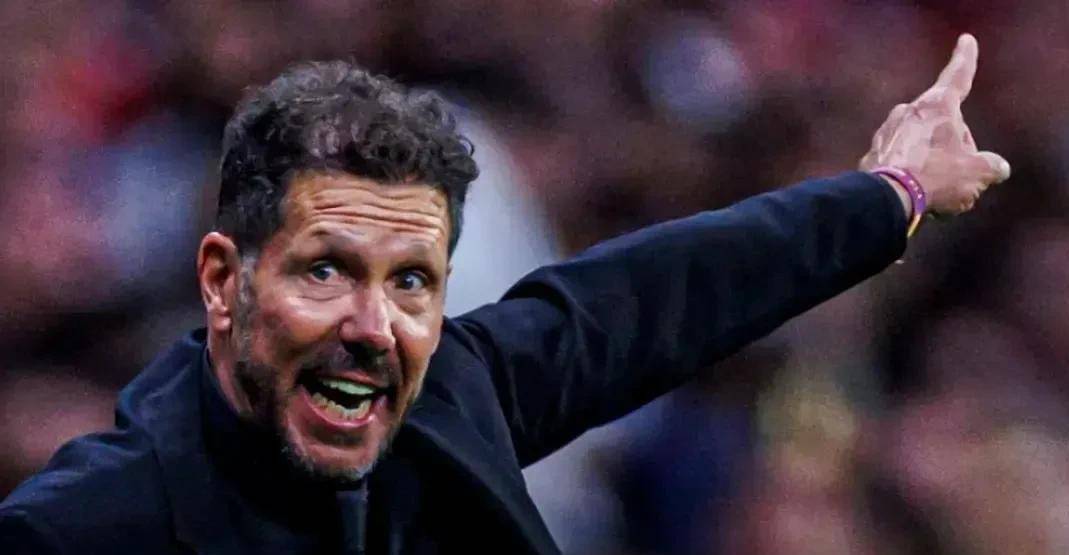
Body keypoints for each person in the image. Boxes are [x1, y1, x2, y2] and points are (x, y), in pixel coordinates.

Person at [0, 34, 1009, 554]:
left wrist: (892, 195)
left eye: (411, 282)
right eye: (326, 270)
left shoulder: (450, 395)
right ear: (224, 282)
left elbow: (671, 289)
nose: (371, 328)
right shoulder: (79, 531)